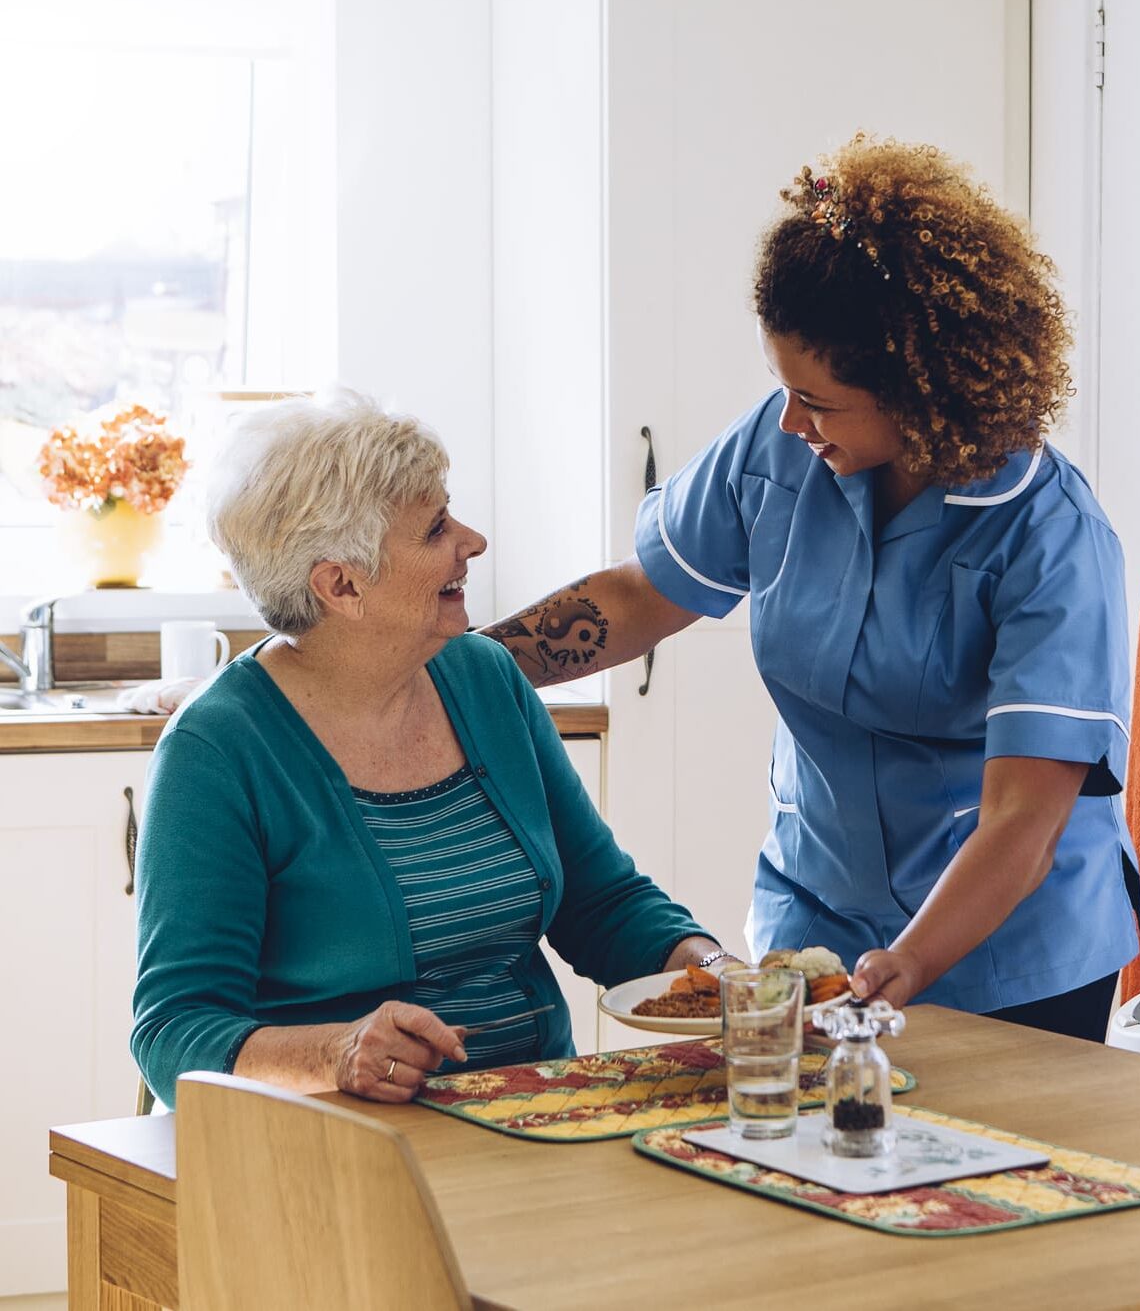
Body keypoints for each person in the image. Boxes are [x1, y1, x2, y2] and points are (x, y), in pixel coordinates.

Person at [483, 134, 1140, 1042]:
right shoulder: (780, 445)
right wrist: (463, 668)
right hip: (817, 922)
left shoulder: (1050, 536)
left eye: (821, 402)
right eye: (782, 388)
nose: (791, 420)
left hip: (1007, 955)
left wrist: (912, 960)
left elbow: (1025, 816)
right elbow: (640, 597)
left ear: (921, 389)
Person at [131, 393, 724, 1108]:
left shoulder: (485, 678)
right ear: (341, 584)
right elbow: (174, 1031)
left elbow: (601, 904)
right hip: (335, 1145)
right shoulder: (217, 750)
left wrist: (714, 970)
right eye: (436, 527)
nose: (472, 542)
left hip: (532, 1113)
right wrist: (338, 1052)